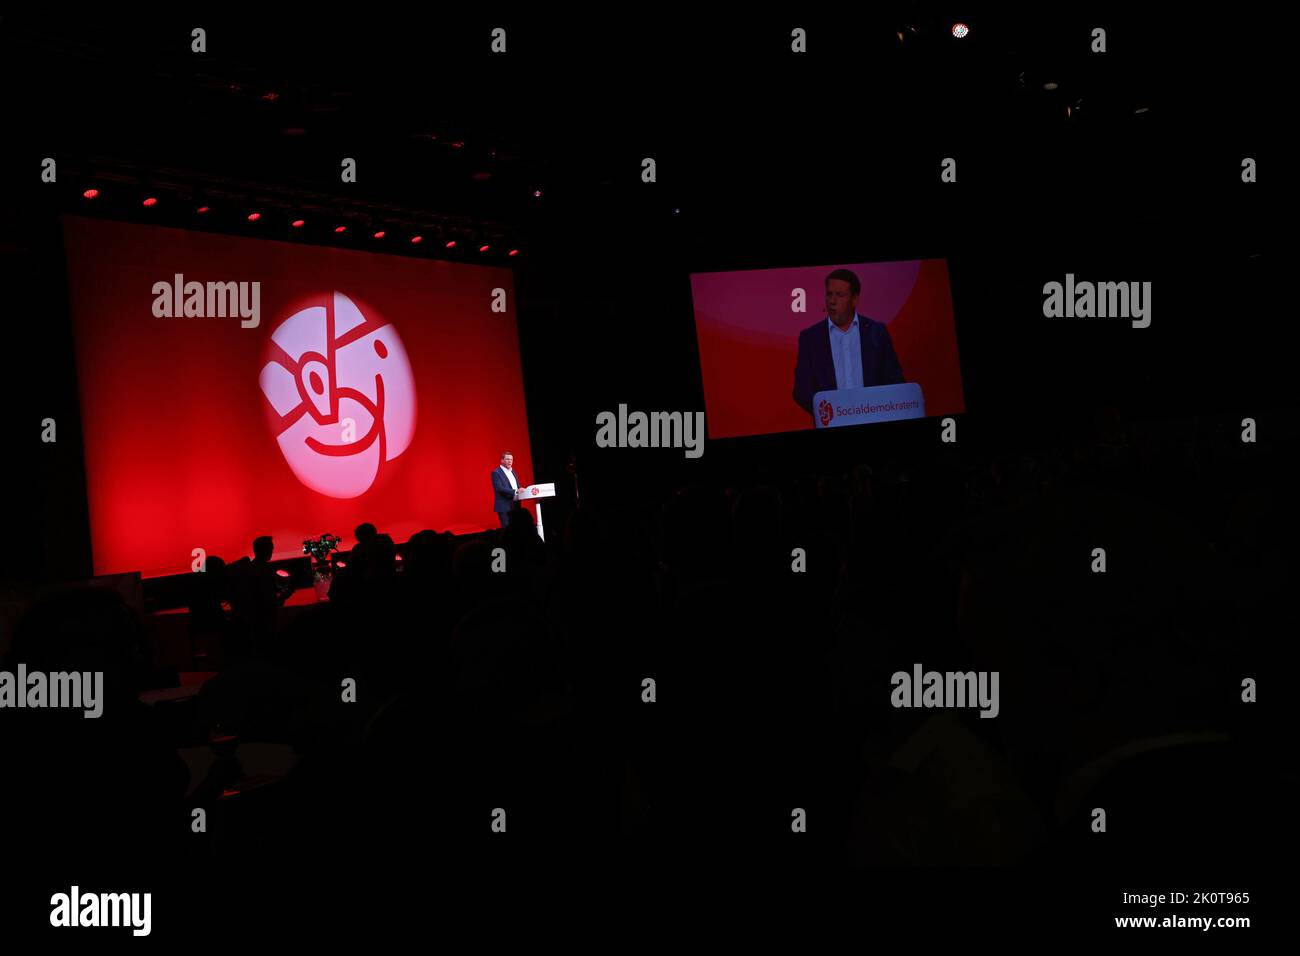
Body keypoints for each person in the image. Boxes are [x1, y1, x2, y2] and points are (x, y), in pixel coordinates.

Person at [792, 268, 906, 417]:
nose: (832, 301)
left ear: (854, 299)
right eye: (829, 294)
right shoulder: (811, 338)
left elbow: (895, 381)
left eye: (839, 295)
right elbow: (801, 390)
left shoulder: (877, 332)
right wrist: (828, 413)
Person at [491, 452, 525, 527]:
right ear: (502, 460)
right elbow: (499, 488)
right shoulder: (496, 473)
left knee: (517, 527)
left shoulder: (513, 471)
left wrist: (522, 490)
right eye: (507, 459)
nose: (510, 461)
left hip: (516, 504)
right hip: (504, 506)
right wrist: (516, 491)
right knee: (507, 529)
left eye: (511, 460)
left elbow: (517, 486)